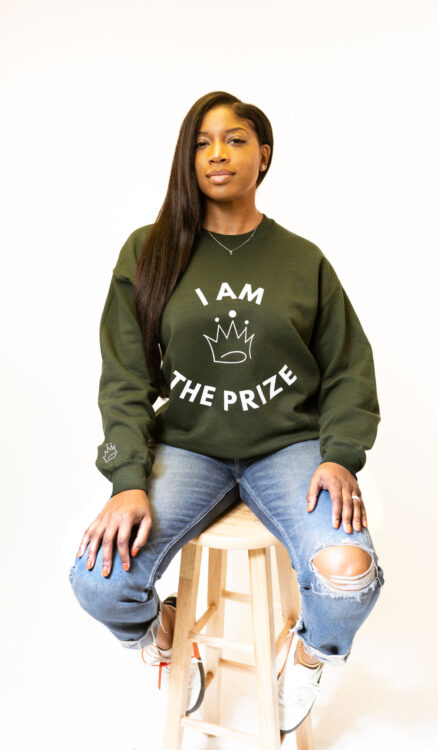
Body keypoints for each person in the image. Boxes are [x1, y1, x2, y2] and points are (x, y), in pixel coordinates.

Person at [68, 90, 385, 733]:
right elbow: (125, 376)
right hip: (187, 448)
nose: (218, 154)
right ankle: (165, 637)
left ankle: (307, 656)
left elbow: (349, 367)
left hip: (288, 447)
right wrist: (127, 480)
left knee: (348, 577)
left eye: (235, 139)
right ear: (188, 159)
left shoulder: (302, 260)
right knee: (99, 583)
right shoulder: (149, 251)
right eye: (202, 142)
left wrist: (340, 457)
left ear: (263, 155)